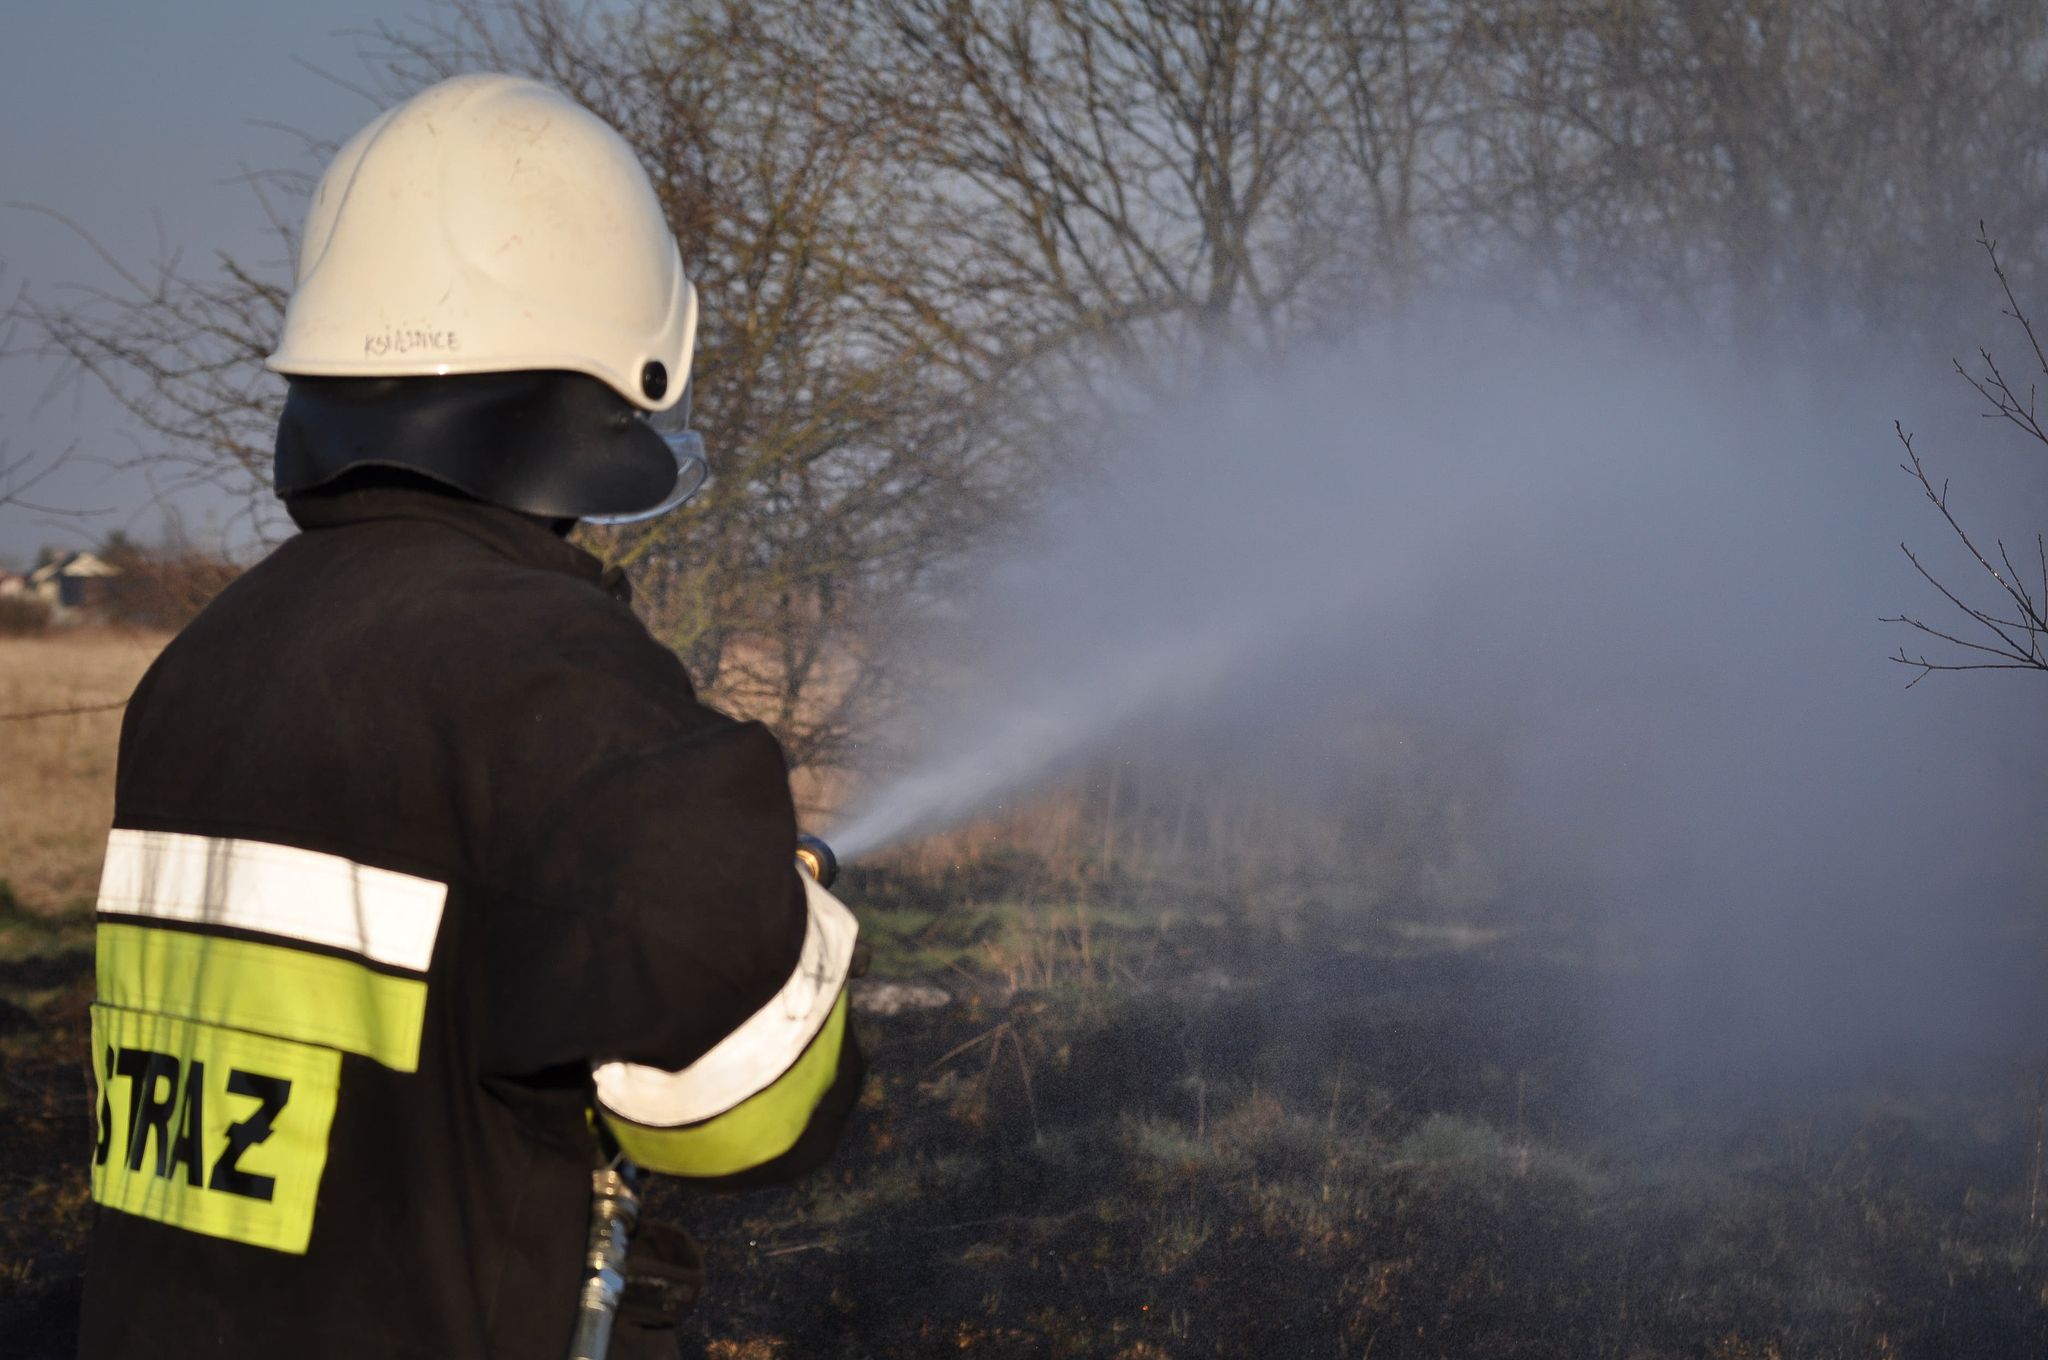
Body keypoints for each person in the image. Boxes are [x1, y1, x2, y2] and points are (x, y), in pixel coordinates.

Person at [77, 73, 864, 1360]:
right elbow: (741, 1117)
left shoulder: (206, 663)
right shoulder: (559, 677)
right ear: (614, 369)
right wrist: (800, 915)